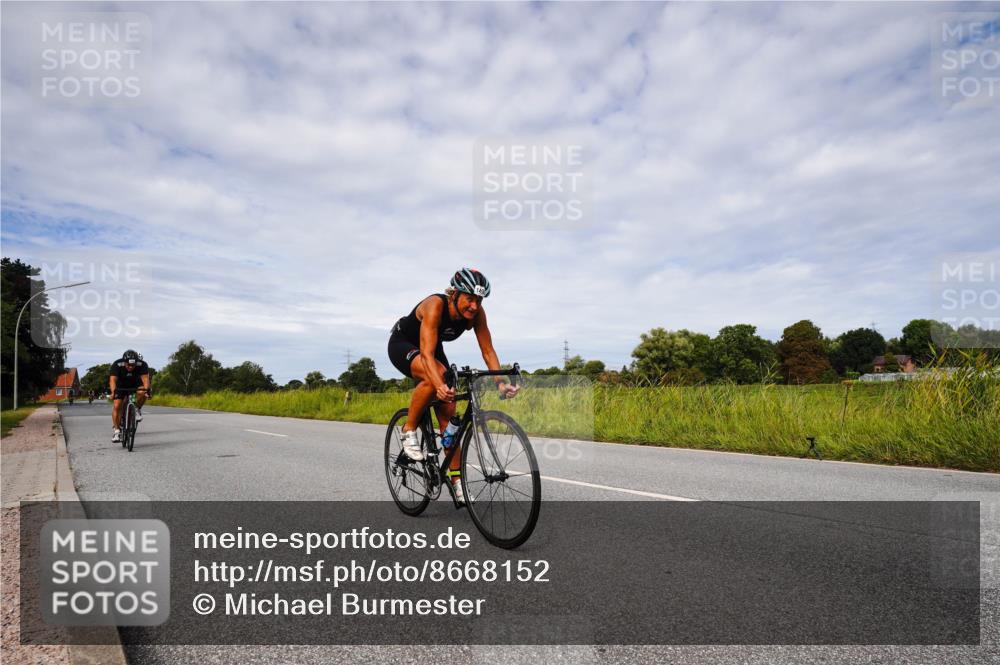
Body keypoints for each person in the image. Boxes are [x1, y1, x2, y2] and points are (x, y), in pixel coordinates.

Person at [387, 268, 519, 505]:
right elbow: (426, 356)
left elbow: (487, 350)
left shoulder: (476, 314)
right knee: (434, 377)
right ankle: (408, 430)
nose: (474, 306)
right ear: (455, 294)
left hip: (432, 349)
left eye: (479, 300)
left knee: (450, 424)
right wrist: (438, 384)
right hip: (403, 344)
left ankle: (458, 484)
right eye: (470, 298)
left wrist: (500, 383)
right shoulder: (435, 305)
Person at [109, 349, 151, 443]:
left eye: (133, 365)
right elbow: (112, 380)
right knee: (117, 406)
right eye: (128, 365)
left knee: (143, 392)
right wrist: (113, 392)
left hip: (134, 385)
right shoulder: (117, 364)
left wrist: (147, 390)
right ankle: (116, 432)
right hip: (120, 386)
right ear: (124, 362)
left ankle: (136, 409)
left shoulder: (142, 364)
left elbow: (145, 379)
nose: (131, 367)